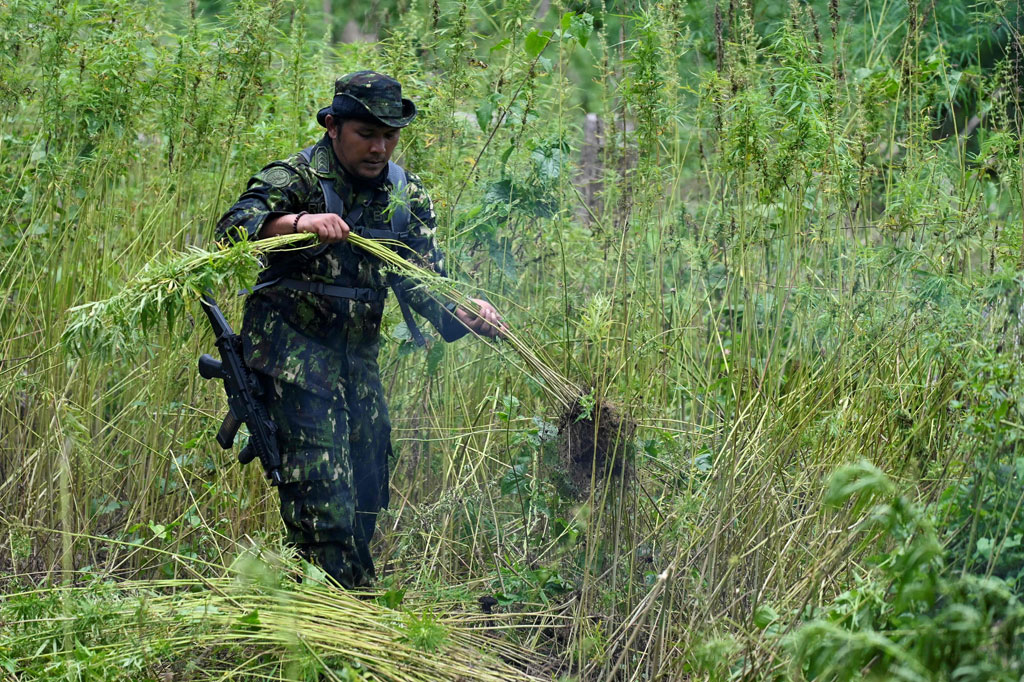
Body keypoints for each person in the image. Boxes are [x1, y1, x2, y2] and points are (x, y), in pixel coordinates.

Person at [216, 71, 502, 588]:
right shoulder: (296, 178)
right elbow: (232, 229)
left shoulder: (404, 192)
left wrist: (466, 311)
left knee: (368, 491)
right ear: (332, 126)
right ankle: (348, 623)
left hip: (357, 363)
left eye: (389, 136)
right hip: (293, 360)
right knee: (324, 501)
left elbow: (421, 279)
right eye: (366, 134)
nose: (379, 147)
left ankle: (315, 598)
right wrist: (298, 225)